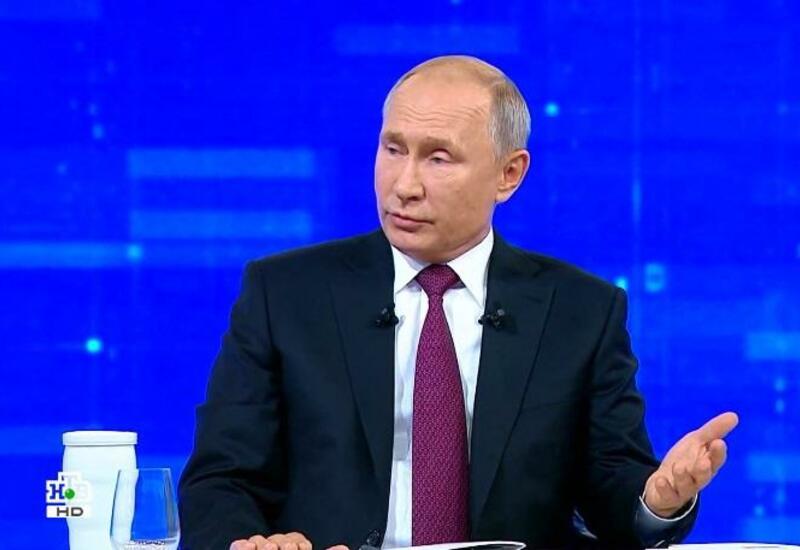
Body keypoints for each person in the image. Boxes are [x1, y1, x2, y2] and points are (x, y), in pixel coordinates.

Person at [178, 55, 738, 550]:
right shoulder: (286, 293)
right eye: (393, 149)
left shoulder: (581, 312)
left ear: (509, 174)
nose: (404, 185)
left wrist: (659, 500)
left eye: (438, 159)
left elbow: (613, 491)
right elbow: (220, 480)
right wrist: (251, 543)